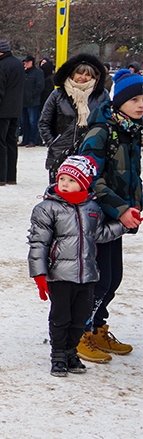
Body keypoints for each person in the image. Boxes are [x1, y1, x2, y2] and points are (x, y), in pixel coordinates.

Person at [27, 156, 126, 376]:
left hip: (87, 275)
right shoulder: (47, 208)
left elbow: (100, 235)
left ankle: (71, 352)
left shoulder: (92, 208)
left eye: (71, 180)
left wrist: (124, 225)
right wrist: (40, 274)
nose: (64, 183)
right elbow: (38, 243)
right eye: (61, 178)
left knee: (80, 318)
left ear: (84, 182)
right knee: (61, 317)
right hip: (59, 275)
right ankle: (59, 355)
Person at [74, 69, 143, 362]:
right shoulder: (102, 130)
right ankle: (80, 331)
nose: (141, 105)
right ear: (119, 103)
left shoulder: (131, 131)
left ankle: (98, 326)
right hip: (97, 218)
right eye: (135, 99)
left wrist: (134, 204)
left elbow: (128, 176)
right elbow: (91, 176)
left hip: (116, 218)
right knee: (98, 279)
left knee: (113, 278)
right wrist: (122, 208)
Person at [39, 53, 109, 183]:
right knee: (60, 195)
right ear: (72, 74)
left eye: (88, 75)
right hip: (61, 153)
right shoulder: (58, 94)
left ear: (94, 77)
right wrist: (53, 142)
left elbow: (107, 122)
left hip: (90, 153)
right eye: (79, 73)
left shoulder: (101, 95)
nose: (83, 77)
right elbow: (44, 121)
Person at [0, 39, 25, 185]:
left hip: (2, 110)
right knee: (10, 142)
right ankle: (10, 175)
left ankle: (0, 176)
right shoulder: (17, 64)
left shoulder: (1, 66)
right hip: (15, 110)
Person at [19, 56, 45, 147]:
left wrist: (32, 95)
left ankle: (33, 140)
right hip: (23, 101)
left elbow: (40, 86)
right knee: (24, 122)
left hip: (33, 101)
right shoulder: (23, 73)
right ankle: (25, 139)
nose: (25, 63)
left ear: (32, 62)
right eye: (24, 62)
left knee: (33, 121)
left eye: (27, 62)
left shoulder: (38, 73)